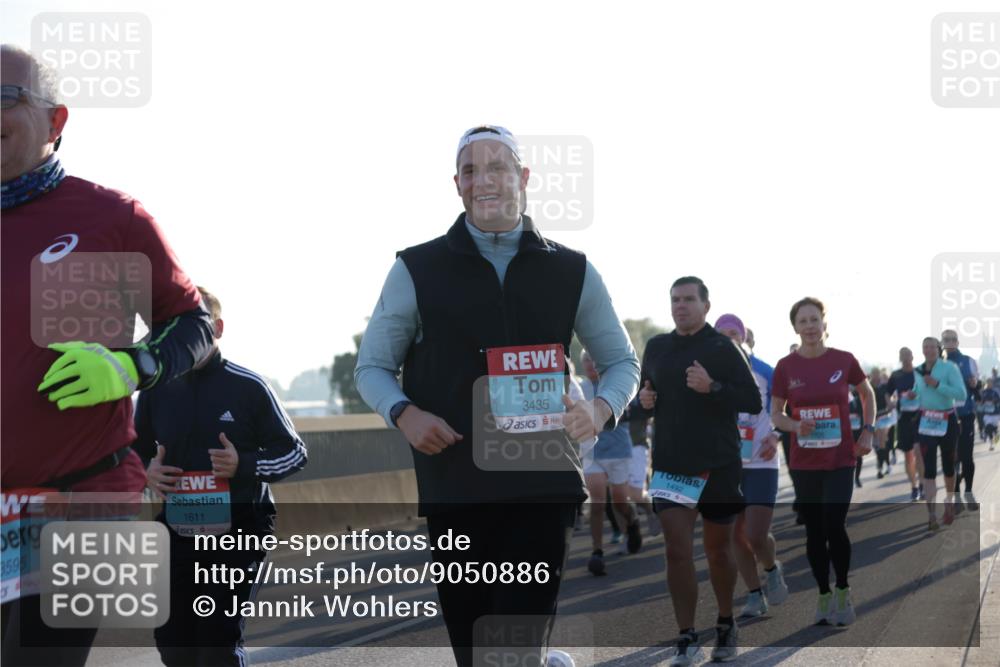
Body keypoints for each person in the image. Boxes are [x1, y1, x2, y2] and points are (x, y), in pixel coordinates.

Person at [354, 125, 639, 667]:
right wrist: (404, 413)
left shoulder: (572, 268)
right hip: (454, 484)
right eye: (470, 170)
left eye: (497, 167)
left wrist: (601, 409)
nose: (483, 180)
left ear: (523, 177)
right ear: (456, 186)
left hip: (541, 484)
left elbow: (623, 361)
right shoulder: (416, 268)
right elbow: (372, 367)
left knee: (512, 646)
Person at [1, 45, 215, 666]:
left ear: (56, 120)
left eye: (6, 98)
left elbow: (193, 323)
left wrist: (132, 367)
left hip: (86, 498)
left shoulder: (111, 217)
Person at [133, 287, 307, 666]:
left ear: (218, 328)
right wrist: (148, 472)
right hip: (178, 531)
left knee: (216, 643)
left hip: (241, 529)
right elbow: (133, 453)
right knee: (174, 642)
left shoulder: (249, 386)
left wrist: (242, 464)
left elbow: (294, 453)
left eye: (194, 328)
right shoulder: (156, 389)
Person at [638, 277, 762, 665]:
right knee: (676, 550)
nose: (681, 305)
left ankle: (726, 622)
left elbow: (753, 401)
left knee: (718, 552)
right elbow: (643, 401)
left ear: (705, 306)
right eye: (675, 299)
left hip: (718, 465)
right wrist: (643, 402)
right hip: (672, 465)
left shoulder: (722, 347)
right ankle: (686, 636)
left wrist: (713, 387)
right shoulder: (657, 347)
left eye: (689, 299)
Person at [770, 297, 874, 627]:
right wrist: (794, 425)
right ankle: (824, 593)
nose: (810, 326)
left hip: (841, 457)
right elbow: (776, 413)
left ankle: (843, 588)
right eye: (803, 321)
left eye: (814, 320)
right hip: (804, 461)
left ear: (824, 324)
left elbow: (867, 393)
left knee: (834, 524)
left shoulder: (844, 360)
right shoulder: (785, 367)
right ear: (795, 328)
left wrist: (867, 430)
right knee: (815, 532)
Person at [713, 315, 789, 619]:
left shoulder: (765, 371)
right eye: (723, 334)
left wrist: (776, 434)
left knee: (756, 534)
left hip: (761, 460)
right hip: (728, 464)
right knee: (735, 536)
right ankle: (755, 595)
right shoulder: (710, 373)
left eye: (734, 333)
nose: (729, 338)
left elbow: (790, 406)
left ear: (744, 337)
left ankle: (771, 568)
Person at [579, 350, 642, 574]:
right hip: (592, 453)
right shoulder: (580, 389)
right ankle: (597, 552)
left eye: (594, 360)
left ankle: (632, 522)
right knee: (596, 503)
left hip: (618, 451)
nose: (590, 364)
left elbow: (632, 411)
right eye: (586, 360)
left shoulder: (616, 385)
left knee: (619, 502)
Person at [907, 337, 967, 530]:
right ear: (922, 350)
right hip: (926, 422)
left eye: (933, 347)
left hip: (947, 421)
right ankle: (931, 515)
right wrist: (913, 392)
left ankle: (949, 502)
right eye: (925, 347)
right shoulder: (917, 370)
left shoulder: (950, 368)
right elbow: (919, 387)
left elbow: (961, 394)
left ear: (939, 349)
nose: (929, 350)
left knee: (949, 467)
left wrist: (937, 384)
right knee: (929, 470)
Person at [942, 330, 980, 511]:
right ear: (942, 342)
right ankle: (956, 496)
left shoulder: (968, 361)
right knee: (951, 458)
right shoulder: (938, 364)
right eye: (946, 340)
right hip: (946, 416)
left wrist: (975, 385)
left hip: (965, 415)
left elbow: (977, 390)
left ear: (957, 342)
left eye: (952, 339)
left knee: (966, 457)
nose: (949, 342)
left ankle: (969, 491)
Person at [886, 347, 924, 500]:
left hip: (920, 417)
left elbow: (928, 390)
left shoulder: (920, 373)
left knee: (919, 452)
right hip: (904, 419)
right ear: (900, 358)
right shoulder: (896, 375)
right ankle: (913, 487)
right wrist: (890, 403)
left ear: (913, 356)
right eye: (903, 355)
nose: (906, 358)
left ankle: (922, 485)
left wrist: (918, 395)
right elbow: (888, 392)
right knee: (908, 456)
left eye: (908, 355)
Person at [980, 378, 999, 450]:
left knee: (995, 429)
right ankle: (991, 444)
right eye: (988, 382)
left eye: (990, 382)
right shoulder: (983, 392)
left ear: (992, 383)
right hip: (987, 413)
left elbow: (998, 400)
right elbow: (980, 401)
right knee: (988, 428)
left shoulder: (995, 391)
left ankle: (997, 436)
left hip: (995, 413)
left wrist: (994, 401)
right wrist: (982, 402)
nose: (989, 384)